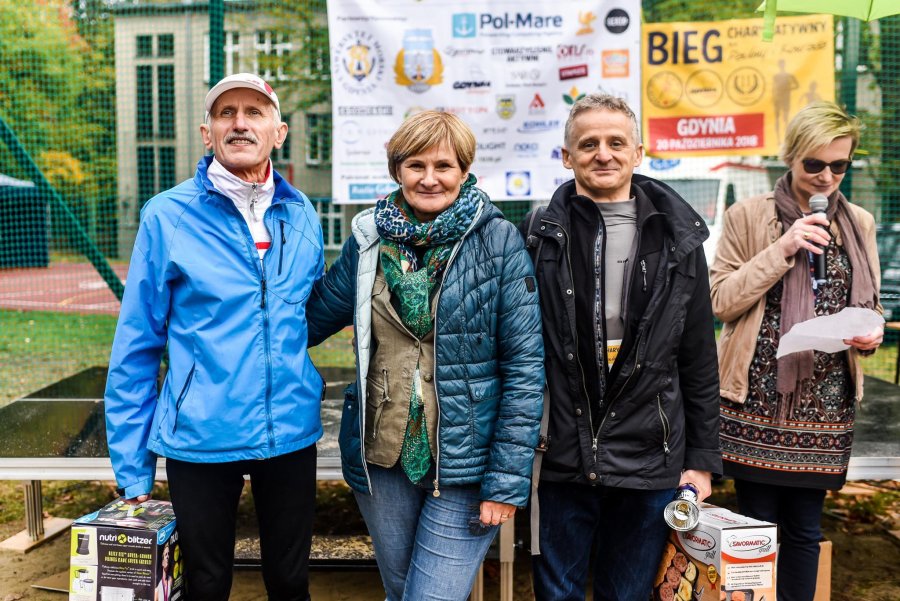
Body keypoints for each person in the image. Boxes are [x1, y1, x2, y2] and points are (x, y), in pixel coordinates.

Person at [306, 110, 544, 601]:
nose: (429, 179)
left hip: (465, 460)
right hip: (382, 453)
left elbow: (524, 368)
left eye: (444, 166)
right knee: (400, 591)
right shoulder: (368, 238)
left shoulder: (498, 242)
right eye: (416, 165)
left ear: (464, 171)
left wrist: (505, 482)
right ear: (398, 170)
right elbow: (310, 320)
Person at [104, 73, 324, 601]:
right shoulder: (167, 216)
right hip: (202, 435)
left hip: (290, 429)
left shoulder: (303, 213)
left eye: (254, 112)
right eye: (226, 113)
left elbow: (303, 314)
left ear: (280, 131)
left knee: (291, 582)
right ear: (207, 133)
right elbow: (137, 346)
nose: (240, 123)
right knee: (206, 583)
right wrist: (134, 470)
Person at [520, 94, 722, 601]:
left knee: (627, 593)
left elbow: (698, 357)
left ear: (638, 151)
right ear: (566, 157)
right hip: (561, 453)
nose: (602, 154)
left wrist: (700, 459)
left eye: (616, 143)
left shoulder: (680, 241)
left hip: (649, 455)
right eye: (588, 144)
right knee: (557, 593)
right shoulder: (538, 235)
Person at [712, 101, 882, 601]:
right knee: (755, 530)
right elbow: (721, 301)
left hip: (825, 408)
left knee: (806, 531)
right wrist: (783, 247)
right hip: (757, 402)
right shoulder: (747, 216)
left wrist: (870, 335)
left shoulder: (860, 222)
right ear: (790, 158)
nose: (827, 176)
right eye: (814, 164)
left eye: (839, 165)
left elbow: (868, 306)